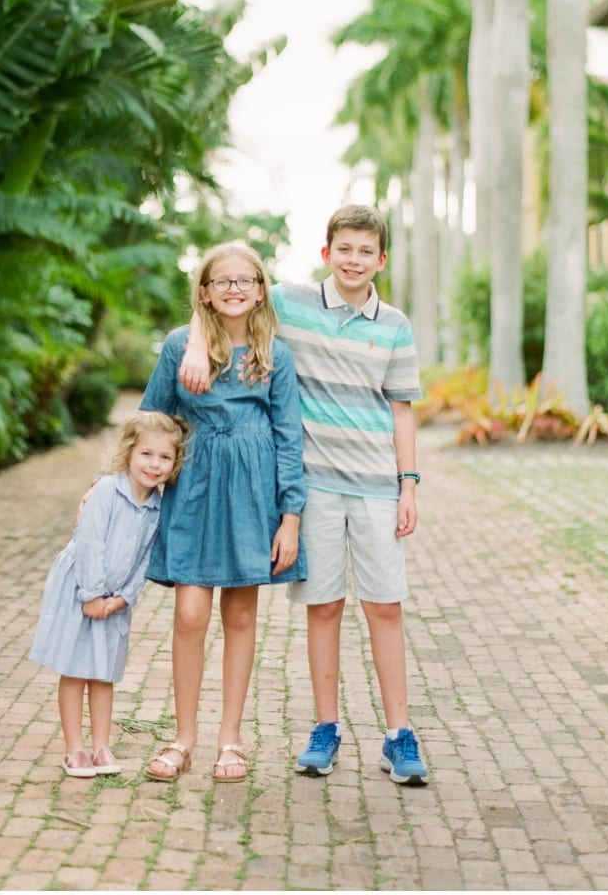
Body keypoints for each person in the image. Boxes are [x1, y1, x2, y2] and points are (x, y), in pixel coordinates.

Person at [180, 205, 428, 786]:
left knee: (384, 607)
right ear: (327, 252)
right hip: (312, 487)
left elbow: (402, 410)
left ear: (381, 261)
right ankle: (326, 727)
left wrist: (408, 484)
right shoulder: (290, 303)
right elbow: (218, 293)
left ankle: (399, 735)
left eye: (366, 252)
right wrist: (194, 344)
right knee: (325, 607)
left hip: (374, 486)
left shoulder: (394, 324)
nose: (354, 260)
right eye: (344, 248)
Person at [140, 241, 307, 784]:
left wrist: (291, 517)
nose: (235, 289)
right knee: (190, 615)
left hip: (252, 497)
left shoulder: (274, 355)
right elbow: (151, 421)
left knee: (240, 617)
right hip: (195, 490)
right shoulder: (177, 349)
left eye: (246, 280)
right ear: (205, 293)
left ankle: (230, 738)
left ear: (261, 290)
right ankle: (183, 736)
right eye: (223, 281)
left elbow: (288, 438)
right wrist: (120, 486)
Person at [29, 410, 188, 778]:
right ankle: (74, 750)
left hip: (115, 600)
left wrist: (123, 598)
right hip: (80, 591)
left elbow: (147, 557)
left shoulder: (156, 506)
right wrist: (91, 595)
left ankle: (101, 746)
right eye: (147, 454)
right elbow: (89, 544)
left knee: (103, 673)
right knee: (74, 669)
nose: (154, 464)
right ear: (130, 452)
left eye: (165, 458)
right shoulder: (106, 491)